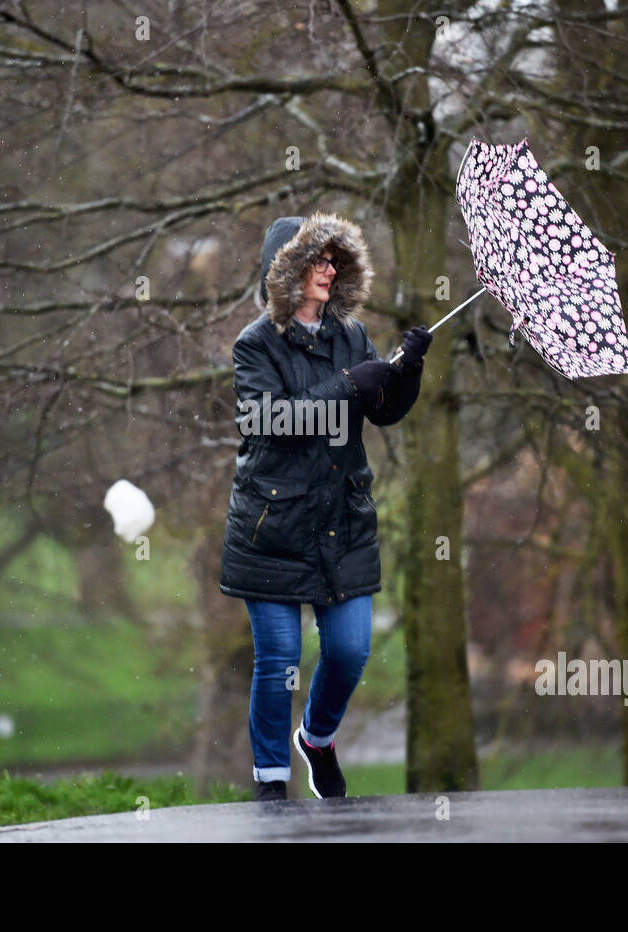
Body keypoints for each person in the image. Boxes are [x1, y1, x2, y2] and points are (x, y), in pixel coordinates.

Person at [219, 211, 432, 801]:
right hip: (272, 529)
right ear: (284, 270)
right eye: (317, 260)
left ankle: (316, 737)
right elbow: (271, 422)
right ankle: (271, 782)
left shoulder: (351, 336)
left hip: (343, 526)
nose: (329, 268)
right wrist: (347, 386)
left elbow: (382, 408)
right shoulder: (254, 346)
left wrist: (407, 371)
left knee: (349, 649)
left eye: (334, 260)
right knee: (280, 659)